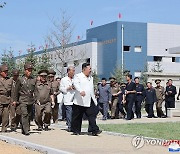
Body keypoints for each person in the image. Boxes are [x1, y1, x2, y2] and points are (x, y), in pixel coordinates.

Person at [71, 63, 101, 136]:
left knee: (91, 115)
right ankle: (76, 130)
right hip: (80, 100)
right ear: (84, 69)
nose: (90, 70)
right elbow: (75, 84)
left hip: (89, 99)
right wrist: (80, 90)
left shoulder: (91, 78)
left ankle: (94, 129)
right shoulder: (78, 76)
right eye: (89, 69)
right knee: (77, 116)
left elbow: (91, 89)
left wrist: (94, 99)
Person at [15, 63, 36, 135]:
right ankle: (26, 130)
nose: (30, 72)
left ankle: (24, 129)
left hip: (30, 99)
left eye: (31, 70)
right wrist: (15, 100)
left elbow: (36, 90)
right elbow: (16, 91)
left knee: (29, 115)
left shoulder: (33, 79)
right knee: (24, 114)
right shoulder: (20, 79)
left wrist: (36, 98)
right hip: (22, 99)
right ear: (25, 71)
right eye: (28, 70)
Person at [60, 66, 75, 132]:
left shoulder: (76, 78)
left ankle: (74, 126)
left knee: (74, 114)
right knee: (69, 113)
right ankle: (70, 126)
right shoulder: (64, 79)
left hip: (75, 99)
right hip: (68, 98)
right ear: (68, 71)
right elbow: (61, 88)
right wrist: (67, 88)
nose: (74, 72)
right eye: (73, 71)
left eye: (74, 71)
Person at [0, 64, 13, 132]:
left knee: (6, 115)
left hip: (7, 98)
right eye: (4, 71)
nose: (6, 73)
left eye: (7, 71)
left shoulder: (9, 80)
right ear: (0, 72)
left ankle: (4, 129)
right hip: (0, 98)